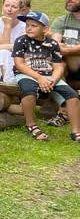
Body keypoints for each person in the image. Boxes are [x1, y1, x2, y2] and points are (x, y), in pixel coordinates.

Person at [12, 11, 80, 142]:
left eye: (34, 25)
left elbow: (58, 66)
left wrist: (53, 79)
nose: (29, 28)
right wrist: (39, 78)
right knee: (29, 92)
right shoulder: (21, 41)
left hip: (49, 76)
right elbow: (19, 64)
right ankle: (31, 125)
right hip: (27, 74)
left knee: (72, 96)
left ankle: (76, 131)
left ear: (45, 29)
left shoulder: (52, 44)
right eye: (27, 25)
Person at [51, 0, 80, 89]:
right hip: (67, 67)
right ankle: (63, 96)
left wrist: (67, 50)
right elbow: (55, 43)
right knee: (56, 61)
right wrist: (61, 47)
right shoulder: (61, 20)